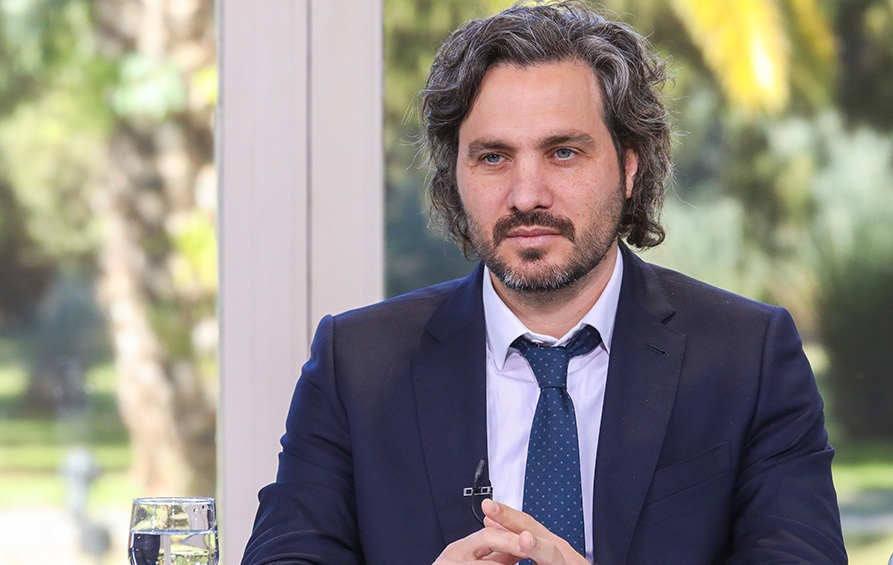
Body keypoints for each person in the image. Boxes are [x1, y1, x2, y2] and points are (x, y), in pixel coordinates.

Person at [241, 2, 847, 563]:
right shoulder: (357, 364)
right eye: (493, 157)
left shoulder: (747, 357)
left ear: (628, 167)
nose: (526, 195)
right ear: (455, 176)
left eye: (563, 153)